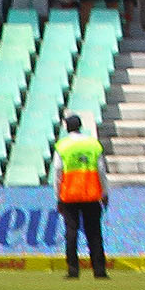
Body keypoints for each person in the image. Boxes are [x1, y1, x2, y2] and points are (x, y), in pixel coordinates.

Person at [53, 113, 108, 281]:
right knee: (94, 233)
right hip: (91, 194)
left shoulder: (62, 146)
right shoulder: (93, 144)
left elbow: (57, 172)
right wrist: (104, 193)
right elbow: (101, 171)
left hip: (70, 195)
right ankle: (99, 270)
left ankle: (73, 270)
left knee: (71, 232)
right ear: (80, 126)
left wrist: (58, 197)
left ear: (67, 127)